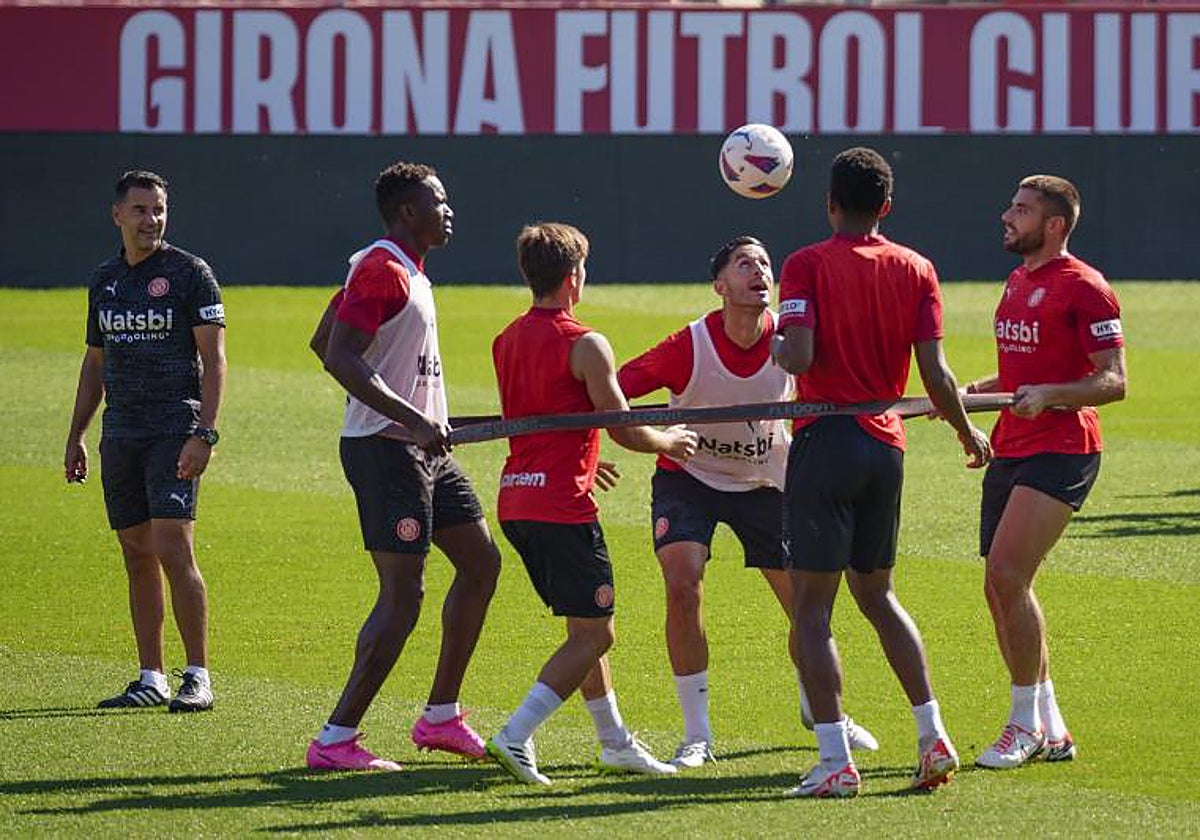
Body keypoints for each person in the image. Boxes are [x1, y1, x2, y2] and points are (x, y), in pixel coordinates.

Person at [771, 147, 992, 798]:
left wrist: (776, 342)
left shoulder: (806, 265)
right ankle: (934, 736)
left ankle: (835, 759)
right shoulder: (916, 267)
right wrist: (965, 429)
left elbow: (800, 351)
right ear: (886, 207)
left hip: (825, 442)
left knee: (812, 612)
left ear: (829, 203)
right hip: (885, 447)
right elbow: (937, 374)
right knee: (880, 597)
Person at [616, 236, 878, 768]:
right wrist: (635, 441)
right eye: (744, 264)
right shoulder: (687, 345)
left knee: (807, 607)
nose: (759, 271)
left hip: (767, 482)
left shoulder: (793, 337)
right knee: (682, 584)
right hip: (688, 476)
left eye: (764, 263)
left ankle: (823, 708)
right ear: (720, 286)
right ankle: (697, 736)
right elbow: (612, 393)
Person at [305, 161, 501, 772]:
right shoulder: (383, 267)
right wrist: (412, 417)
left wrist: (425, 415)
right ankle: (335, 739)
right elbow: (339, 354)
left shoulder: (402, 270)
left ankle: (441, 717)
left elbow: (321, 339)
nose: (449, 210)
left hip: (420, 450)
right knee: (403, 595)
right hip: (386, 451)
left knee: (480, 562)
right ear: (407, 211)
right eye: (437, 201)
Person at [486, 222, 698, 786]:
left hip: (517, 499)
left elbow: (543, 416)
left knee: (584, 627)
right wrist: (670, 440)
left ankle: (614, 742)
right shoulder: (586, 342)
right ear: (574, 276)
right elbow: (626, 427)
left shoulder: (505, 339)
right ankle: (515, 734)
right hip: (562, 507)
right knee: (596, 634)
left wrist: (584, 455)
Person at [965, 175, 1126, 770]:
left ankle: (1020, 724)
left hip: (1063, 447)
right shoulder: (1017, 281)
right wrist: (964, 394)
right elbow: (1016, 377)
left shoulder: (1086, 287)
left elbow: (1114, 380)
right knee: (999, 584)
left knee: (1008, 574)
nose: (1008, 216)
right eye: (1011, 205)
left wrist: (1053, 395)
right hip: (1014, 444)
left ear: (1054, 225)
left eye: (1022, 210)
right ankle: (1049, 725)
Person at [64, 170, 226, 713]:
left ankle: (198, 675)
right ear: (117, 215)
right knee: (135, 553)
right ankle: (150, 677)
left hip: (173, 429)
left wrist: (204, 433)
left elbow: (215, 361)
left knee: (174, 548)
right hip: (121, 433)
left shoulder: (190, 274)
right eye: (139, 210)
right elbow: (95, 363)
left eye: (158, 209)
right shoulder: (104, 279)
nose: (151, 220)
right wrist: (77, 434)